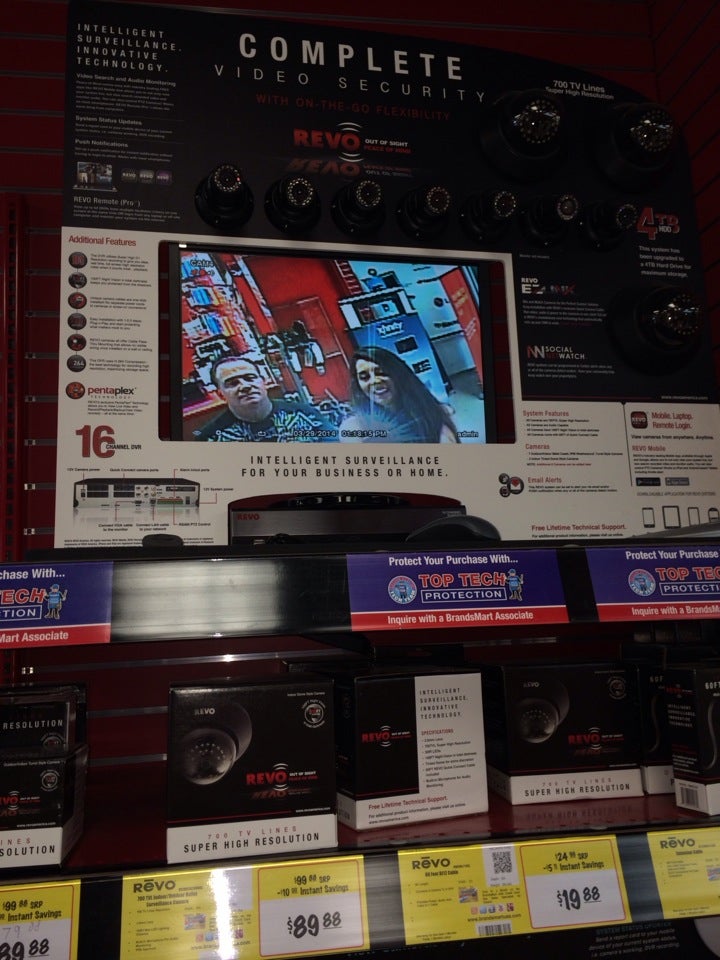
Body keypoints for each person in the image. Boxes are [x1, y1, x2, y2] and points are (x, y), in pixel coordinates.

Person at [193, 354, 337, 442]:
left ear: (264, 382)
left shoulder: (304, 414)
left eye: (250, 378)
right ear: (220, 394)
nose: (245, 386)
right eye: (233, 383)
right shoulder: (210, 438)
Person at [339, 345, 458, 443]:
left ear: (398, 375)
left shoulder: (434, 412)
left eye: (381, 372)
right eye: (364, 377)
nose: (374, 381)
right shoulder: (353, 428)